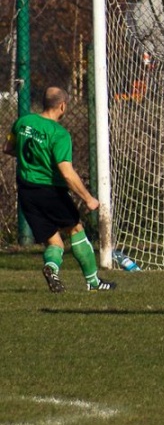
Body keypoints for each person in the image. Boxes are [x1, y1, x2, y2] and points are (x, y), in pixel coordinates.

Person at [3, 87, 116, 292]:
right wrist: (88, 198)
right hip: (50, 191)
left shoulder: (22, 122)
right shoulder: (59, 134)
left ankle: (51, 267)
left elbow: (9, 149)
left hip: (27, 191)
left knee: (55, 242)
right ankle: (93, 282)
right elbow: (67, 173)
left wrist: (34, 161)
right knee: (75, 229)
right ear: (62, 106)